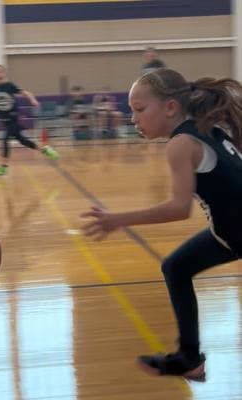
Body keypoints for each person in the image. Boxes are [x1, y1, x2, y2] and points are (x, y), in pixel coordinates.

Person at [81, 68, 242, 381]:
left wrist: (118, 219)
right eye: (131, 111)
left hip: (236, 232)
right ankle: (189, 358)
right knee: (176, 268)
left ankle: (189, 357)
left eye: (139, 110)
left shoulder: (181, 144)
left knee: (177, 268)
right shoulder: (206, 128)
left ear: (170, 107)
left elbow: (179, 208)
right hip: (230, 234)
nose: (133, 119)